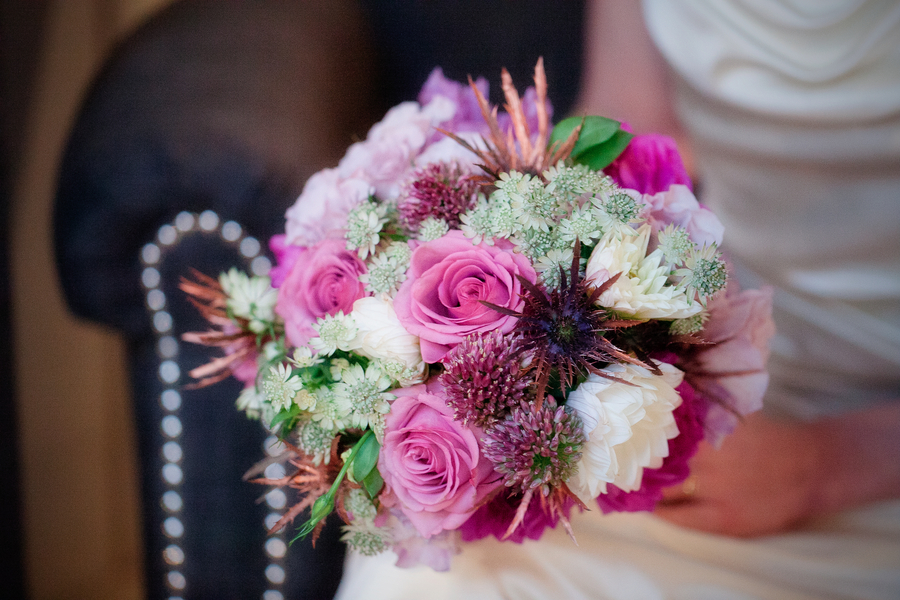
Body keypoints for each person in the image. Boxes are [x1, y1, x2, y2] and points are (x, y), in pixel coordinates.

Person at [335, 1, 900, 597]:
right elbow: (629, 127)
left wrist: (824, 468)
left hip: (871, 447)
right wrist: (472, 250)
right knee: (434, 583)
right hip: (727, 355)